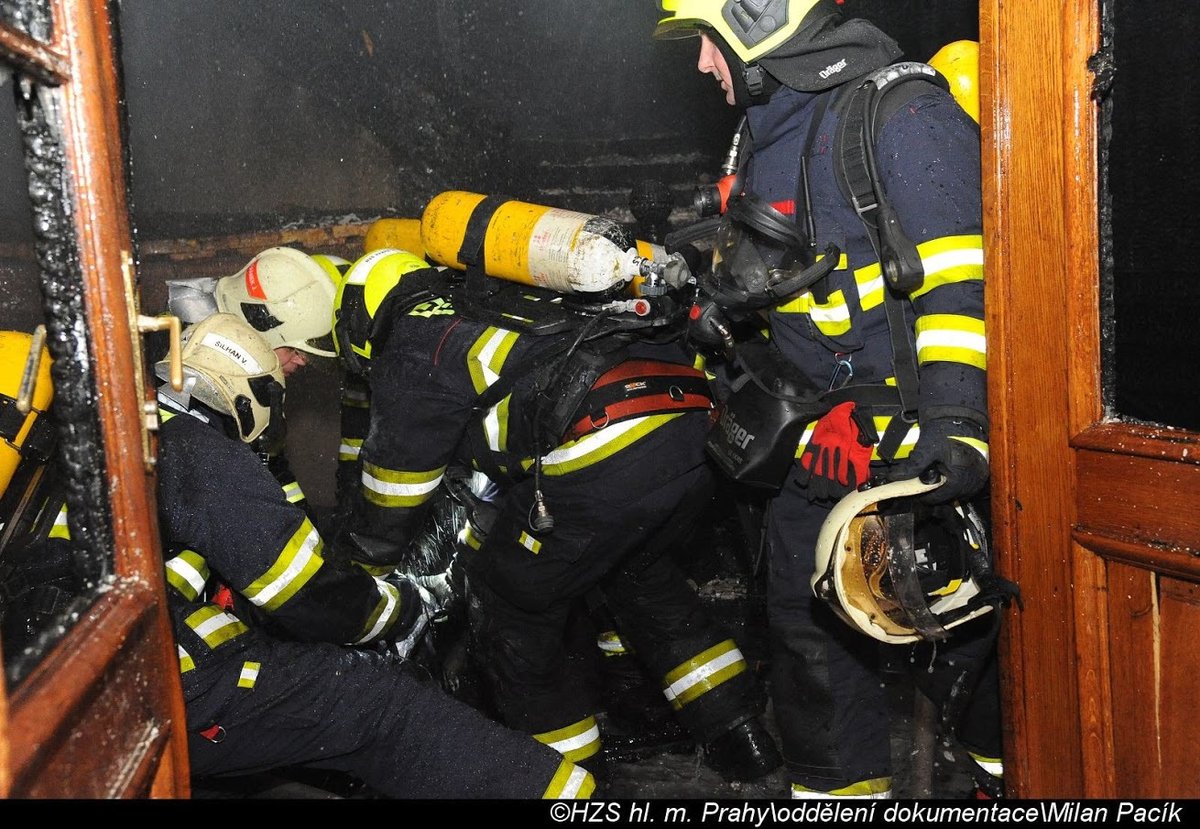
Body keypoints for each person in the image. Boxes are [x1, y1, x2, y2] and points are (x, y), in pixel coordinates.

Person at [652, 0, 1008, 799]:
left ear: (758, 20)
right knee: (810, 663)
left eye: (708, 43)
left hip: (917, 466)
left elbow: (960, 285)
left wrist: (953, 429)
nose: (702, 66)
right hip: (819, 454)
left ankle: (1006, 783)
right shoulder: (763, 132)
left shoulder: (903, 113)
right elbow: (787, 283)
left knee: (972, 659)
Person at [330, 246, 782, 783]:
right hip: (696, 433)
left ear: (361, 315)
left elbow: (397, 484)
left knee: (512, 606)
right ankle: (742, 740)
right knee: (641, 580)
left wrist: (365, 568)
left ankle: (565, 782)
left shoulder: (416, 338)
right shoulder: (499, 303)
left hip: (605, 448)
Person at [145, 312, 595, 799]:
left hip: (132, 676)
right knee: (382, 708)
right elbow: (306, 597)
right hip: (170, 683)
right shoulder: (196, 451)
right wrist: (398, 612)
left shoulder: (126, 434)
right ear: (244, 393)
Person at [165, 246, 348, 521]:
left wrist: (306, 523)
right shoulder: (187, 376)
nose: (302, 363)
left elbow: (269, 464)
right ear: (258, 326)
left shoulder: (241, 377)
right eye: (295, 351)